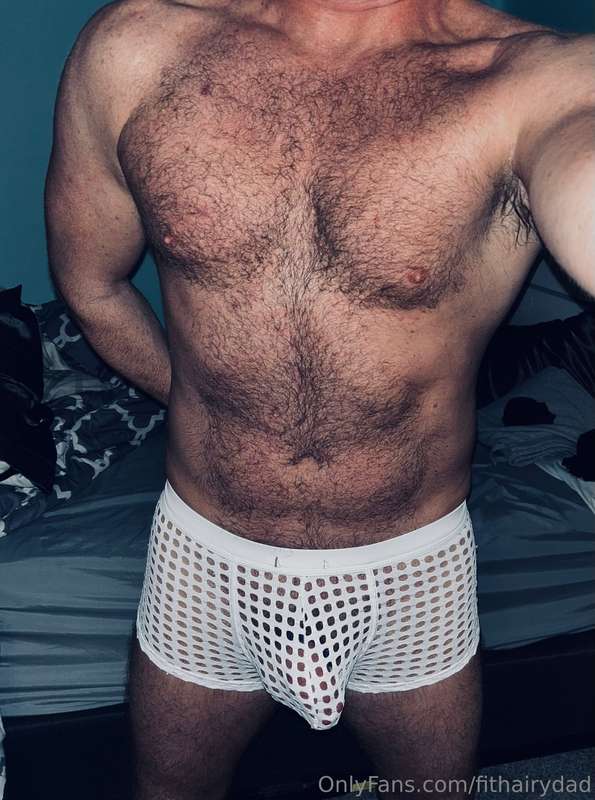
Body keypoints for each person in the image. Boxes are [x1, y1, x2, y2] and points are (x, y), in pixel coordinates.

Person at [44, 1, 595, 797]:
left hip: (410, 571)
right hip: (202, 558)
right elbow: (93, 288)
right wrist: (213, 404)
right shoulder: (134, 49)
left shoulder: (535, 80)